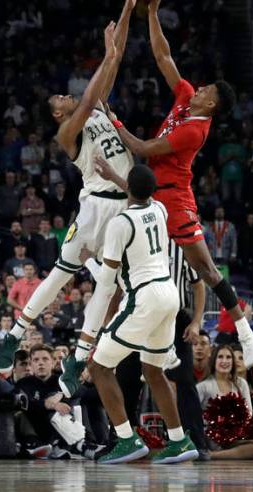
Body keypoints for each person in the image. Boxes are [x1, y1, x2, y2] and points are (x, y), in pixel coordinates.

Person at [103, 0, 253, 368]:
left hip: (174, 200)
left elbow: (143, 148)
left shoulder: (196, 131)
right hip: (150, 196)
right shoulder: (187, 96)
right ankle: (152, 343)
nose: (201, 87)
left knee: (206, 270)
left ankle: (245, 334)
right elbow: (163, 56)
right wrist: (153, 12)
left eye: (207, 90)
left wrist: (113, 120)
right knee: (126, 261)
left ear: (211, 105)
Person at [0, 1, 135, 391]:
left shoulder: (99, 109)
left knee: (108, 286)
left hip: (123, 207)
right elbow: (98, 79)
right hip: (93, 207)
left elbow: (116, 59)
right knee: (59, 274)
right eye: (57, 99)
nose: (63, 95)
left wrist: (127, 6)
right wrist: (107, 56)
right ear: (57, 115)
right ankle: (15, 334)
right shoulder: (67, 133)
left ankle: (76, 359)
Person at [87, 165, 198, 464]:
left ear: (128, 190)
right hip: (169, 295)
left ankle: (126, 439)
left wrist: (88, 261)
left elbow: (107, 280)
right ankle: (179, 440)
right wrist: (115, 177)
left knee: (98, 367)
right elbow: (138, 192)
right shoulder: (160, 209)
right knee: (153, 371)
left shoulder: (119, 223)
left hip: (144, 297)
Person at [197, 344, 253, 459]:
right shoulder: (203, 386)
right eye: (220, 357)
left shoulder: (241, 383)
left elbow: (248, 413)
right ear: (213, 361)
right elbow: (193, 416)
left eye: (228, 357)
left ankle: (213, 455)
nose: (224, 361)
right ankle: (213, 454)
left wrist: (235, 426)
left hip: (235, 437)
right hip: (211, 438)